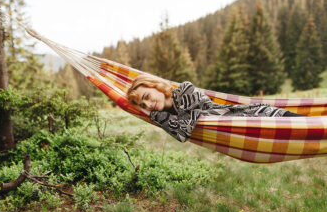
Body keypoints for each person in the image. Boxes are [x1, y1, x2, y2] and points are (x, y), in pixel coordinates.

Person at [127, 75, 305, 143]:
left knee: (313, 126)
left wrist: (156, 117)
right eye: (143, 106)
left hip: (257, 115)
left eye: (147, 97)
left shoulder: (185, 90)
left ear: (155, 85)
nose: (149, 106)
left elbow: (182, 132)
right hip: (244, 130)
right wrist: (157, 115)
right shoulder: (167, 113)